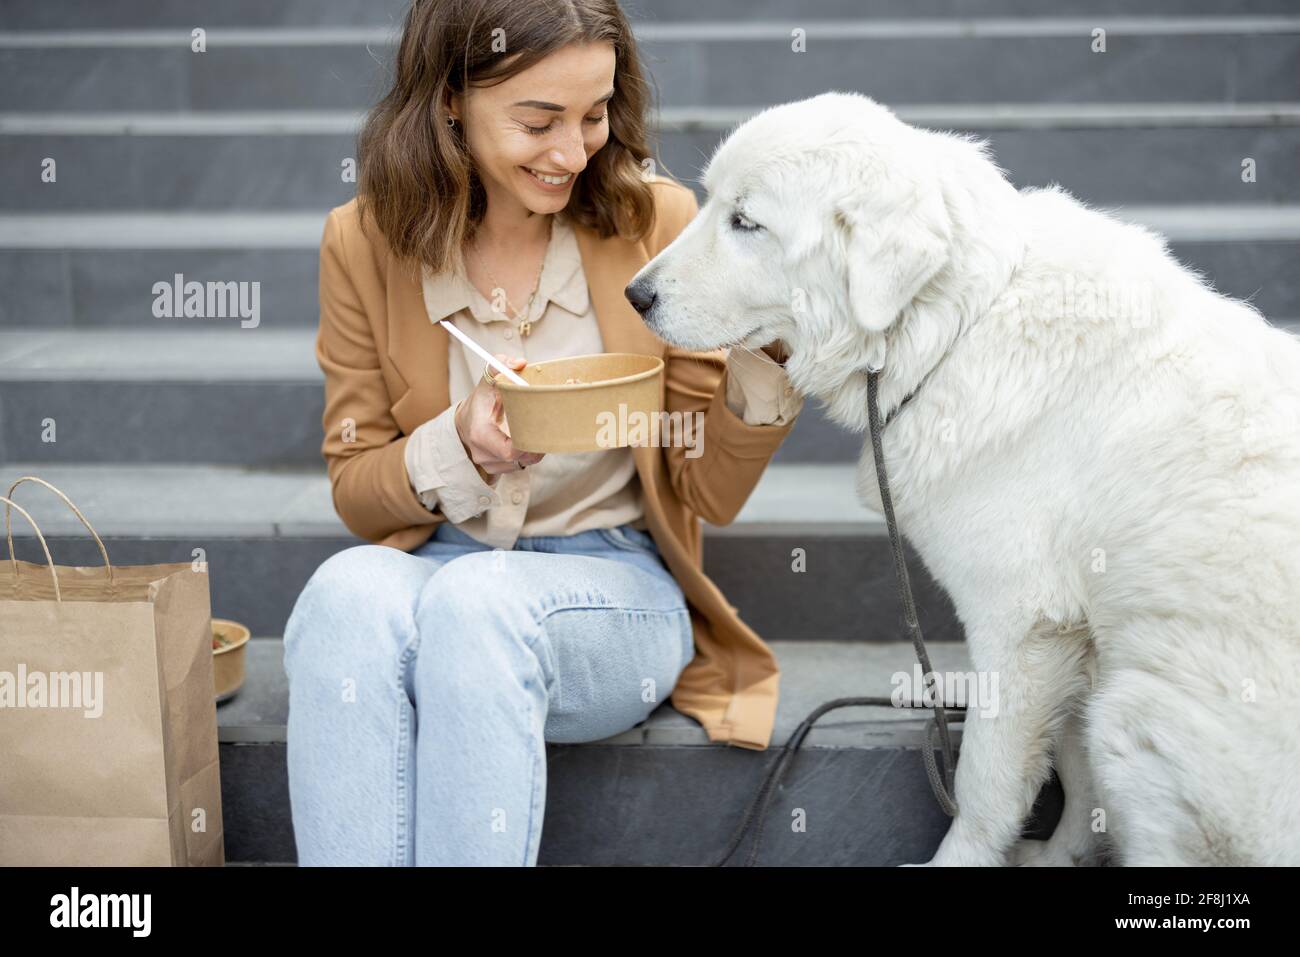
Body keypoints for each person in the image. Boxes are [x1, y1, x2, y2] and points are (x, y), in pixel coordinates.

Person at [282, 0, 805, 866]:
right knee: (345, 592)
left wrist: (769, 357)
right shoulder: (364, 239)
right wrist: (455, 442)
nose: (573, 151)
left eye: (595, 115)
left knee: (478, 604)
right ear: (450, 99)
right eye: (538, 121)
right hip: (441, 562)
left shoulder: (657, 223)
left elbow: (707, 491)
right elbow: (357, 492)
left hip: (613, 586)